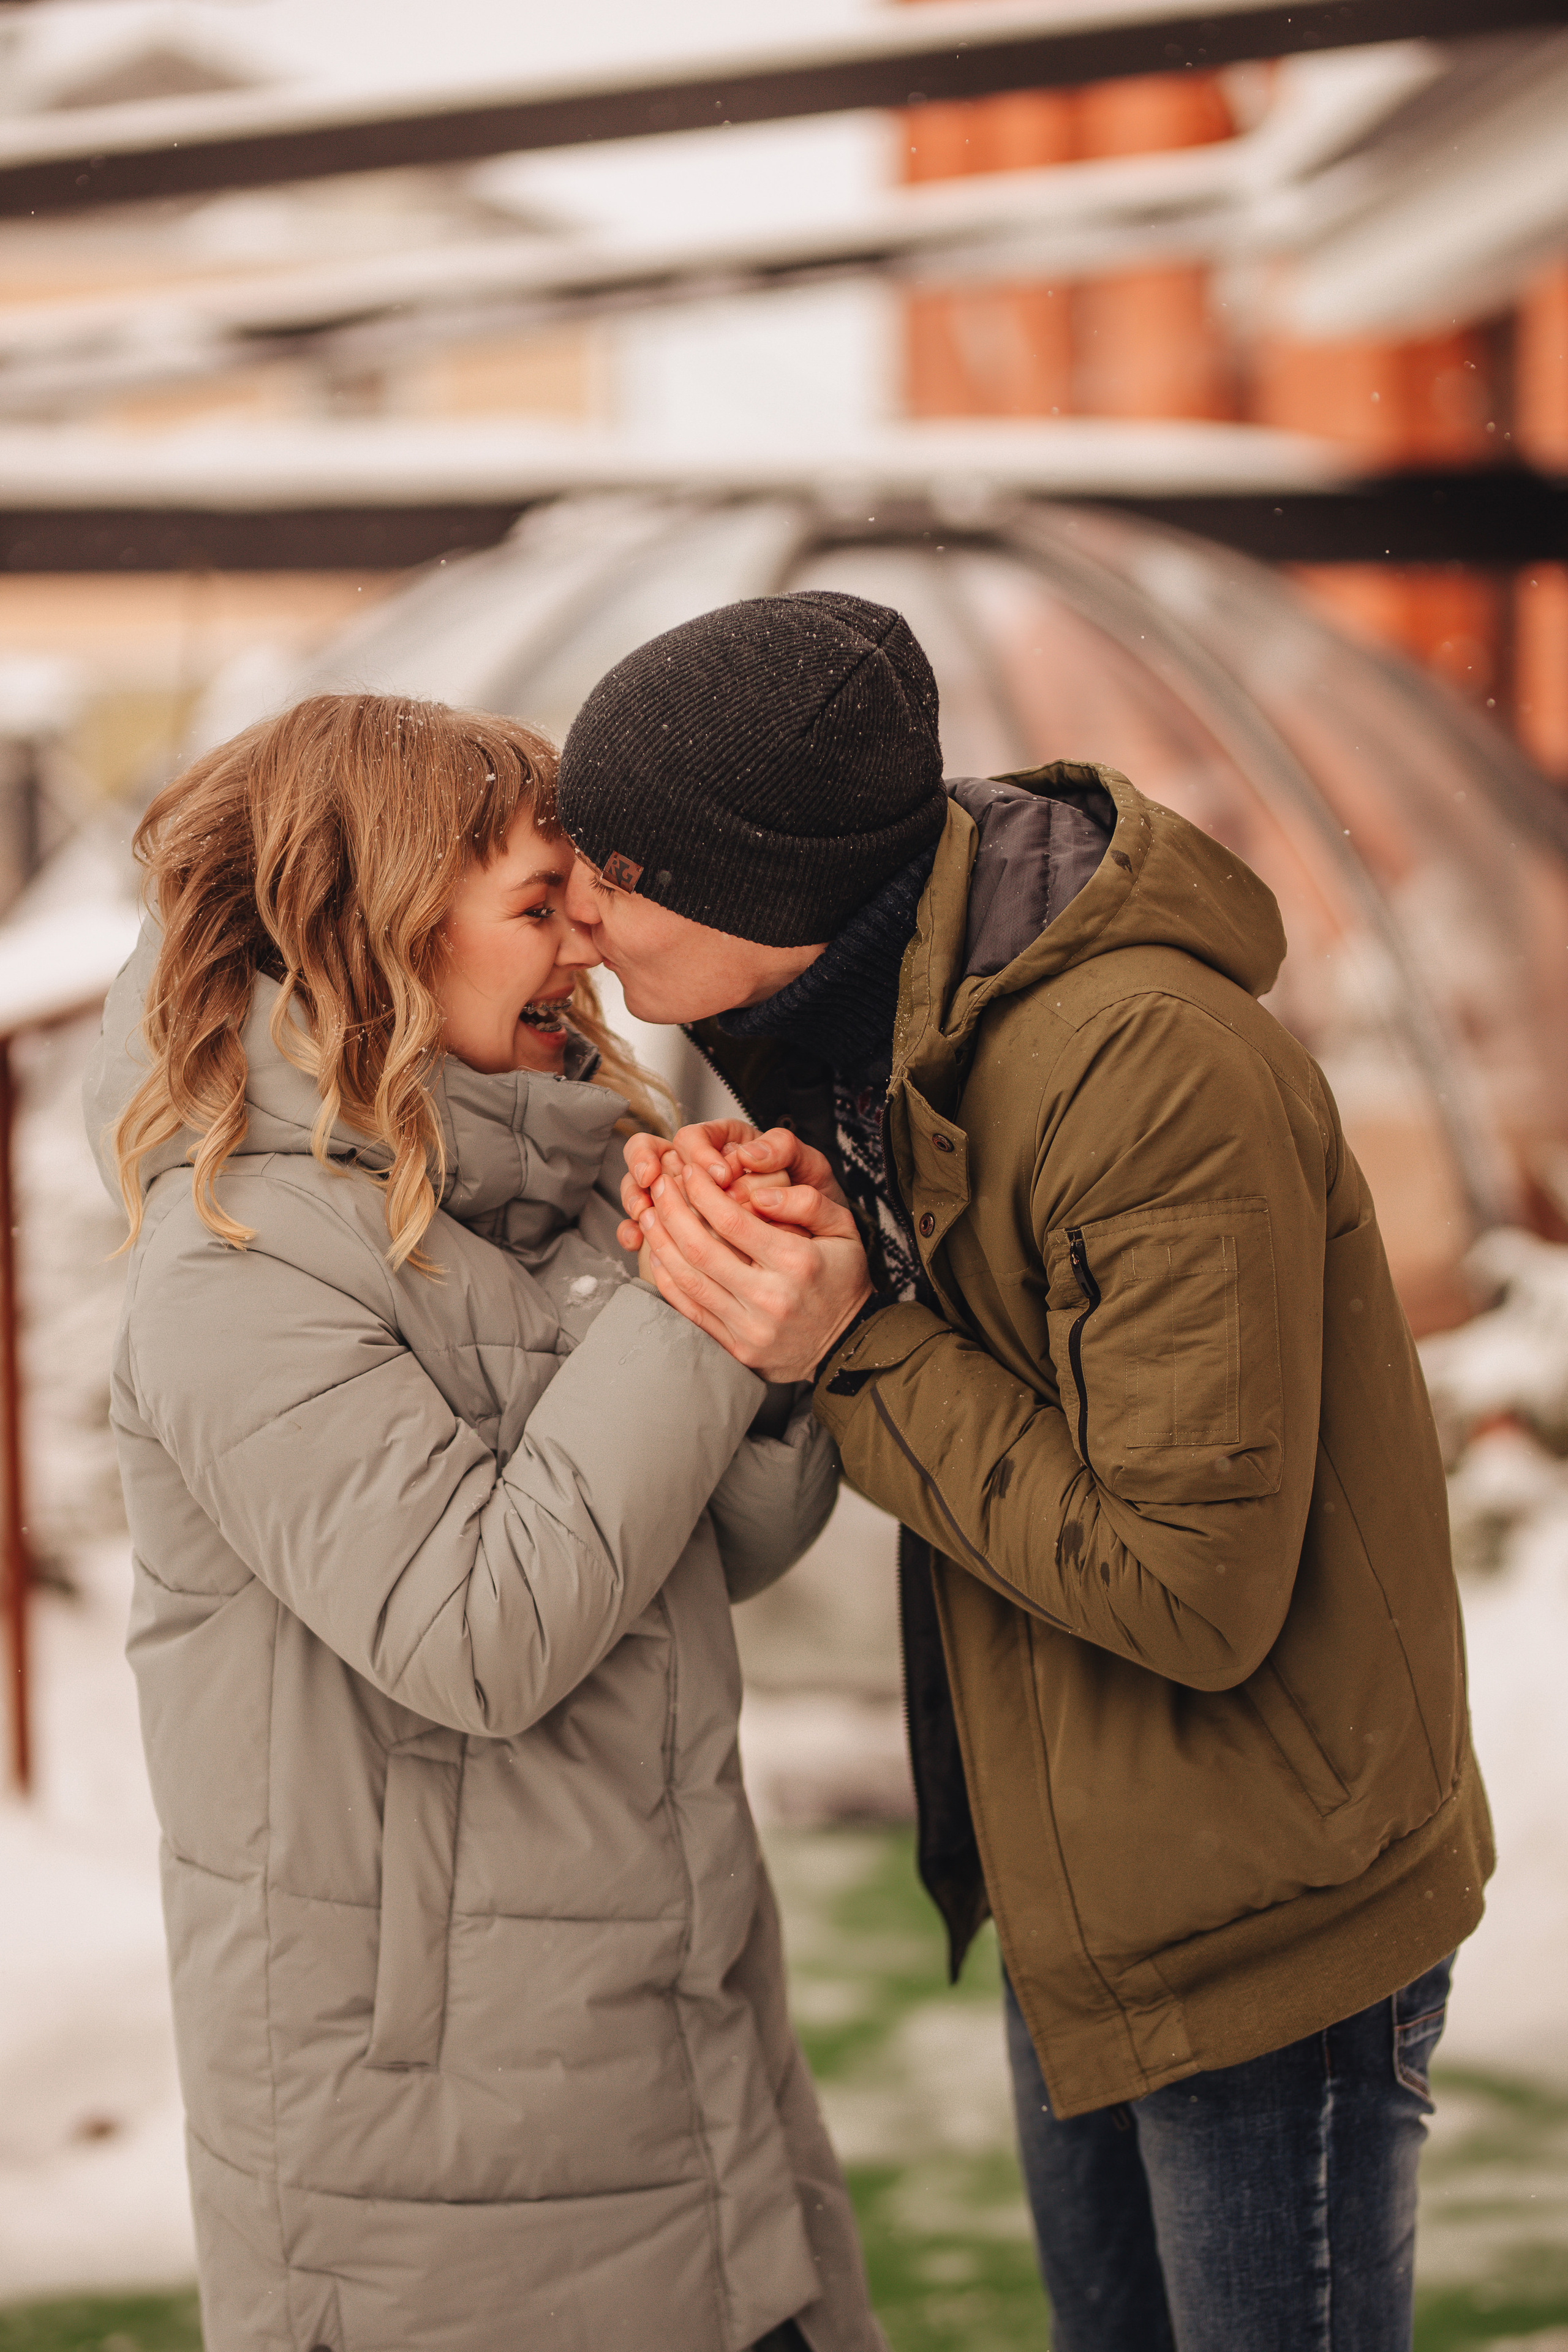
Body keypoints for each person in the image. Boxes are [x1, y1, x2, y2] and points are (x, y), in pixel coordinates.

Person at [554, 590, 1494, 2351]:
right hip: (1087, 1855)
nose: (578, 912)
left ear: (764, 883)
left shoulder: (1142, 1066)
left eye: (613, 865)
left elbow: (1184, 1583)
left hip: (1256, 1889)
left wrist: (847, 1340)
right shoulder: (887, 1042)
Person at [83, 693, 887, 2352]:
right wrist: (691, 1305)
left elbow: (711, 1551)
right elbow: (481, 1636)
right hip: (436, 2161)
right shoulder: (239, 1264)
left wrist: (779, 1344)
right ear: (368, 933)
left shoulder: (553, 1172)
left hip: (680, 2060)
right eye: (540, 905)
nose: (588, 948)